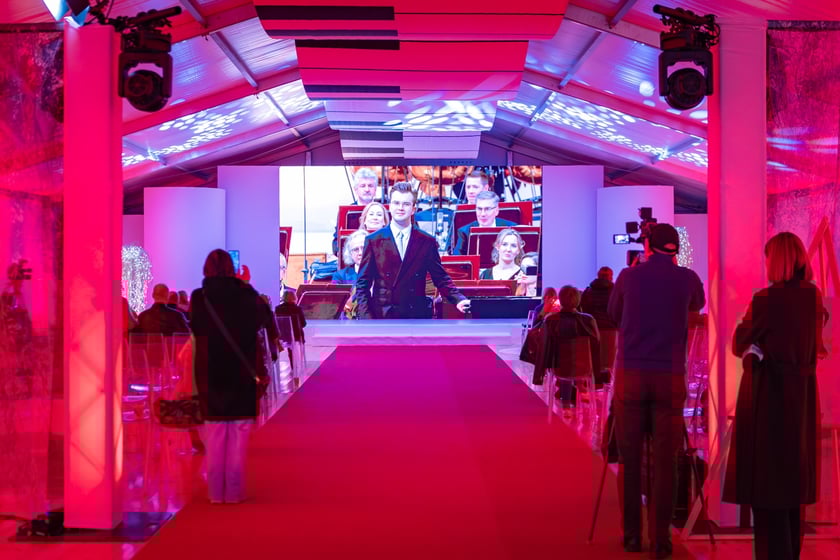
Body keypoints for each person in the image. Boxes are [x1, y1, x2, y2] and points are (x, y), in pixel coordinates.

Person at [723, 232, 827, 560]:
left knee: (767, 489)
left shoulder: (767, 300)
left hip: (769, 400)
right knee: (792, 488)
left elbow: (739, 342)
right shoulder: (813, 298)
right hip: (802, 400)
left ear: (776, 260)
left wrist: (755, 344)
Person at [607, 223, 705, 559]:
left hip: (632, 375)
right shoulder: (687, 279)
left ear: (648, 246)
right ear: (675, 249)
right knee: (666, 461)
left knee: (630, 459)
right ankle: (661, 540)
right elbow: (698, 303)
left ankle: (632, 536)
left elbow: (614, 315)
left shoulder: (628, 277)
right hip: (669, 377)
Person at [190, 249, 276, 504]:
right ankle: (235, 492)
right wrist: (245, 285)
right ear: (233, 269)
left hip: (211, 373)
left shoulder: (199, 297)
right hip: (241, 373)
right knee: (239, 437)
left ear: (206, 268)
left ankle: (216, 493)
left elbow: (196, 328)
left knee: (215, 437)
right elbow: (264, 317)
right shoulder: (246, 295)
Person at [355, 182, 470, 319]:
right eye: (396, 203)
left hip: (416, 316)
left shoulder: (427, 241)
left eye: (406, 204)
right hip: (383, 316)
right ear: (390, 206)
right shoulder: (373, 240)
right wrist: (366, 318)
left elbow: (440, 277)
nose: (400, 208)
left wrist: (458, 299)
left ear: (413, 209)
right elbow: (363, 284)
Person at [534, 285, 600, 404]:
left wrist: (539, 374)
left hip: (560, 368)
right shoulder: (588, 321)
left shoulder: (551, 321)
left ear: (560, 299)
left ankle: (566, 406)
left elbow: (543, 346)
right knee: (575, 358)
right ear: (578, 299)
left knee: (563, 359)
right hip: (585, 368)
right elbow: (596, 344)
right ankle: (580, 389)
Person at [332, 168, 380, 255]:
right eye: (363, 186)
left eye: (370, 186)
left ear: (375, 189)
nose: (367, 189)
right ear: (356, 189)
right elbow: (336, 243)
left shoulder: (383, 211)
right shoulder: (346, 212)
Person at [452, 191, 516, 255]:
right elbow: (457, 257)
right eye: (479, 209)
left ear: (496, 211)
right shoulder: (465, 232)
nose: (483, 214)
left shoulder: (510, 228)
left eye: (487, 209)